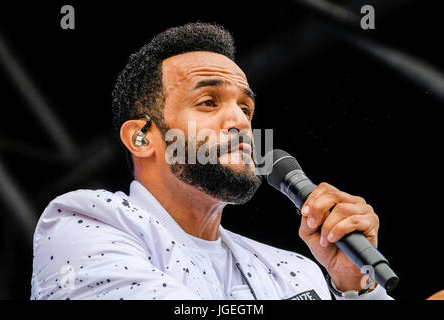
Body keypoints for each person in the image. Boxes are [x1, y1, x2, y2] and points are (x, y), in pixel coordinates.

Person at [30, 23, 392, 300]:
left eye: (245, 108)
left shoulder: (295, 271)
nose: (240, 121)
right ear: (141, 138)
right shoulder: (82, 223)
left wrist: (356, 286)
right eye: (208, 102)